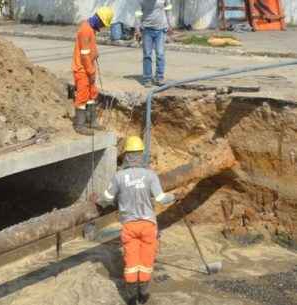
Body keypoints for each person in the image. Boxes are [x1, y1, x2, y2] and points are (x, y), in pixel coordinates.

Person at [93, 135, 175, 305]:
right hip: (148, 225)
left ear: (127, 155)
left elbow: (106, 198)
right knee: (146, 261)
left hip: (129, 226)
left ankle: (130, 298)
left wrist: (97, 201)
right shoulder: (150, 175)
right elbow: (161, 198)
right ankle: (143, 295)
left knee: (131, 262)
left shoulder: (119, 176)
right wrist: (175, 196)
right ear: (141, 154)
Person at [72, 7, 114, 135]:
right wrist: (91, 72)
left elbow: (89, 49)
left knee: (91, 94)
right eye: (102, 23)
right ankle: (80, 125)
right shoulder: (85, 30)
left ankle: (92, 121)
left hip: (88, 68)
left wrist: (95, 53)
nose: (101, 26)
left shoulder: (90, 29)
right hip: (82, 70)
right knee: (82, 96)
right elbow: (84, 55)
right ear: (98, 19)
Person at [134, 0, 173, 87]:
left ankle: (159, 78)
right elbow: (137, 14)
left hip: (161, 29)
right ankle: (147, 79)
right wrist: (137, 29)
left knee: (160, 54)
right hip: (147, 30)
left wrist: (170, 24)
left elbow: (168, 9)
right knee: (147, 55)